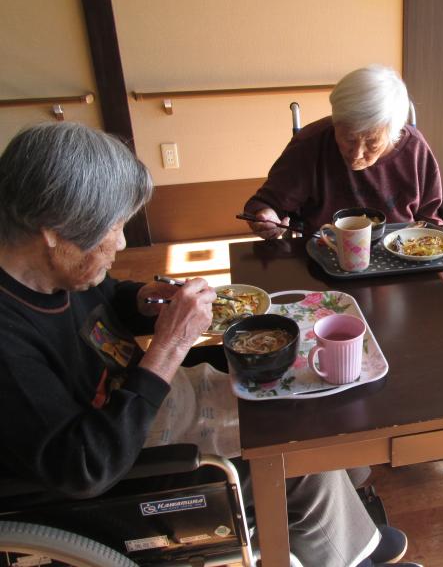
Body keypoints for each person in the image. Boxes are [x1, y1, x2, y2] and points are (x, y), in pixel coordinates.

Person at [0, 122, 420, 567]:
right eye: (112, 229)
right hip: (126, 466)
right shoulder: (7, 344)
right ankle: (354, 554)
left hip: (144, 406)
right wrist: (171, 343)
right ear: (52, 231)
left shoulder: (47, 269)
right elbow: (84, 467)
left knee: (296, 398)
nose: (121, 243)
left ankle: (354, 534)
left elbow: (99, 301)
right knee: (299, 458)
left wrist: (142, 300)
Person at [244, 64, 443, 239]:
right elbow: (265, 203)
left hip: (398, 254)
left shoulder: (414, 149)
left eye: (372, 144)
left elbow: (430, 218)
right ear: (335, 121)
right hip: (324, 254)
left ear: (394, 133)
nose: (357, 154)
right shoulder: (310, 144)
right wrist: (266, 216)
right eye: (348, 138)